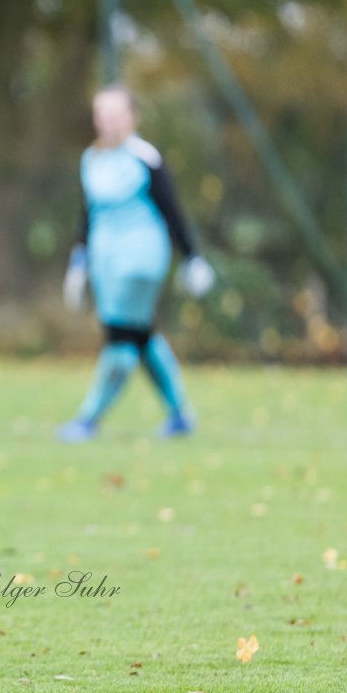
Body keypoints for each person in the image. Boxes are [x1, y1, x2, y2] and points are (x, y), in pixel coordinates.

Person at [59, 84, 214, 442]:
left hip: (141, 260)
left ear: (132, 118)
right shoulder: (91, 159)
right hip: (105, 262)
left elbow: (171, 209)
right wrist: (79, 260)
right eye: (103, 115)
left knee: (120, 339)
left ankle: (88, 419)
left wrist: (192, 256)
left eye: (116, 115)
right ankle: (179, 414)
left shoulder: (145, 157)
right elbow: (88, 214)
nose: (109, 122)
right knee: (141, 336)